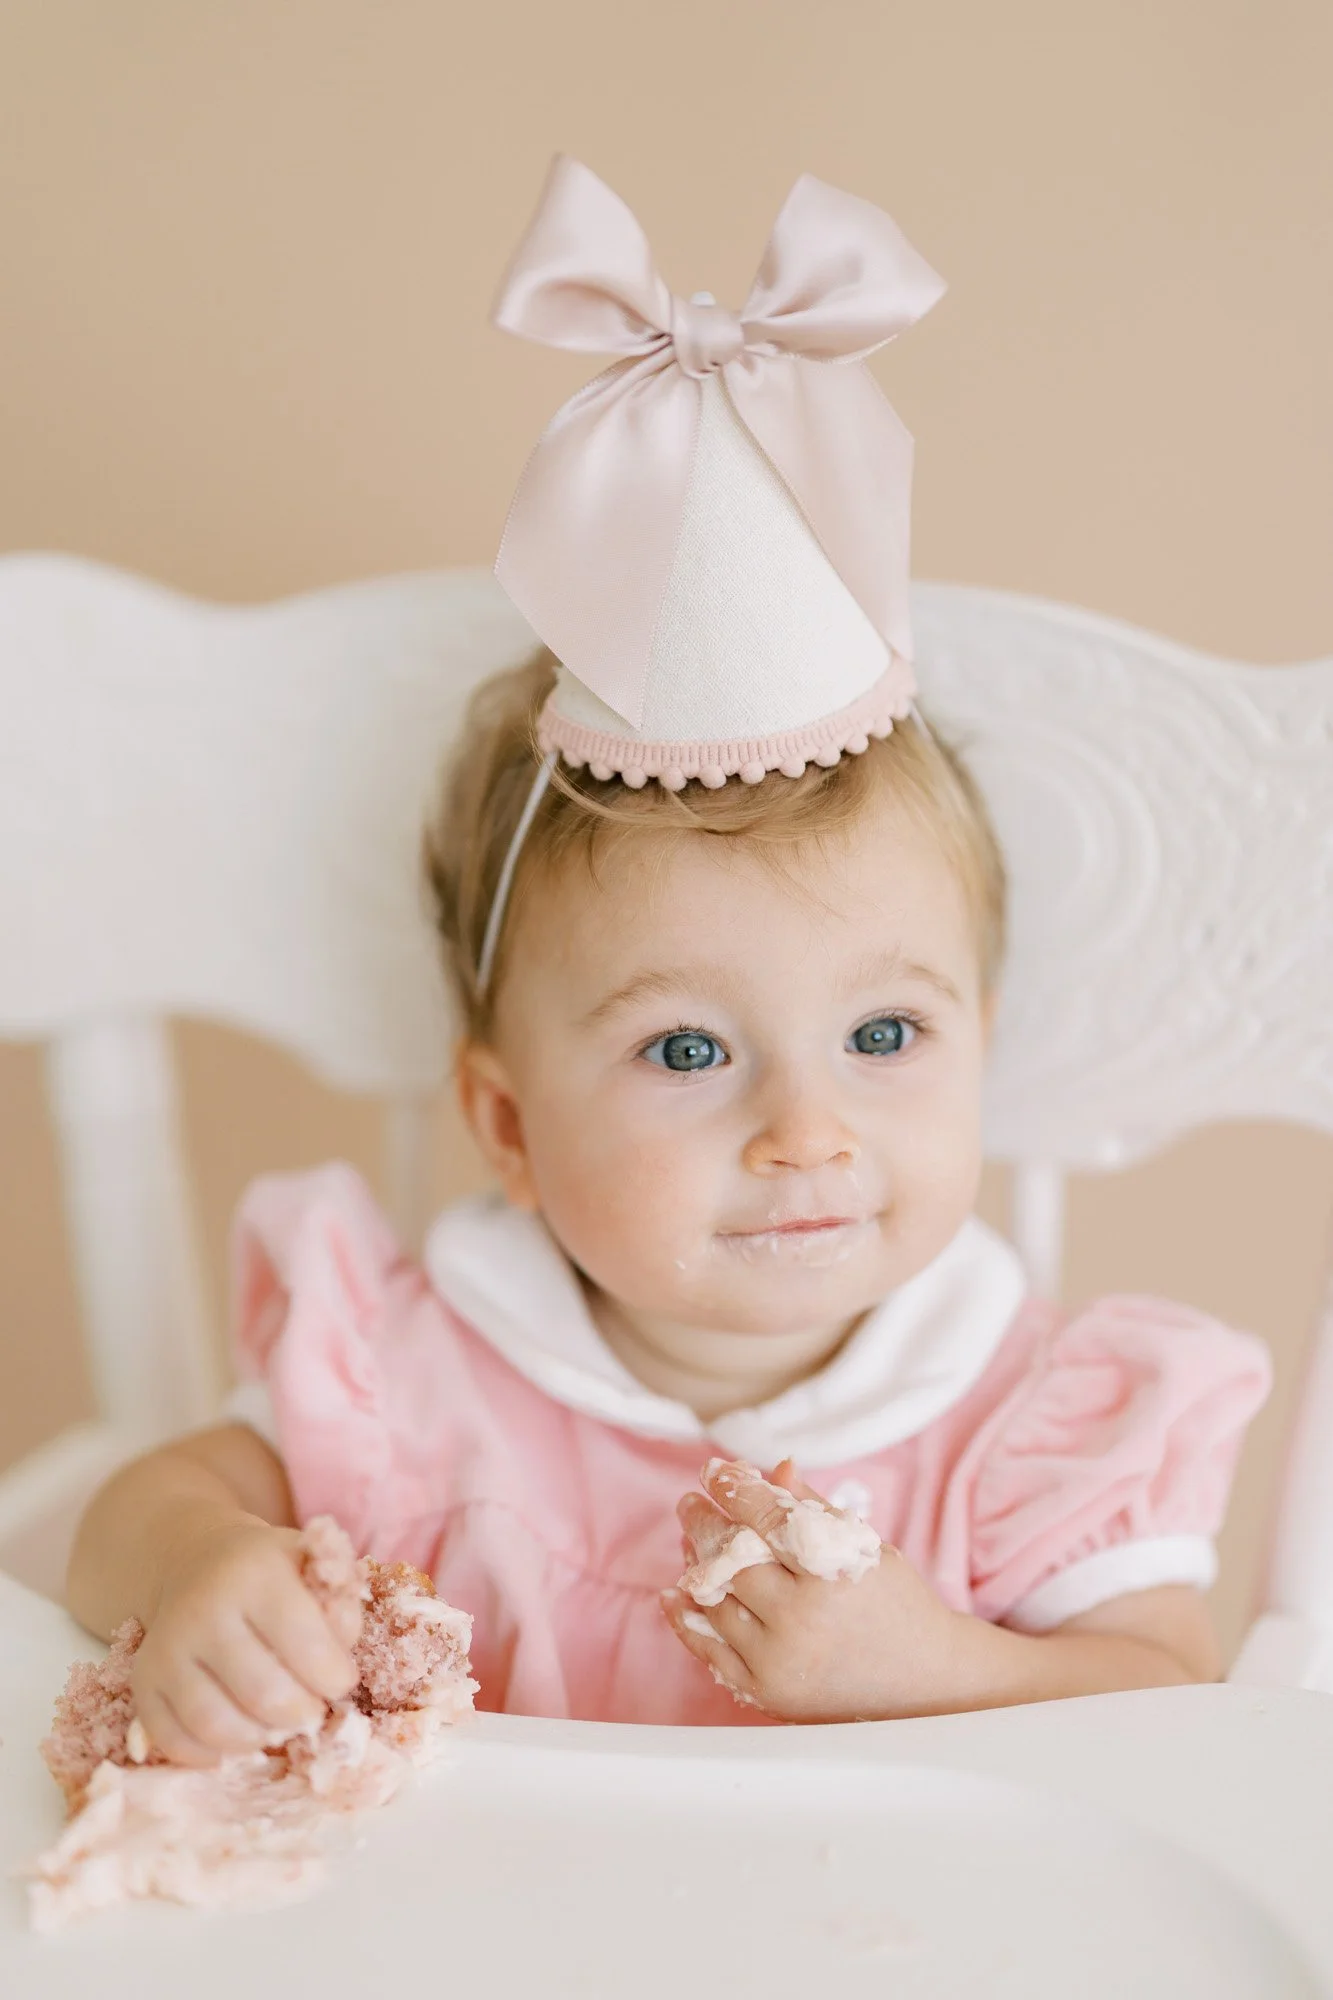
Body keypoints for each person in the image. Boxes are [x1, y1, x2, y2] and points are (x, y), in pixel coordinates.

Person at [66, 159, 1269, 1758]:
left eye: (886, 1035)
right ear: (506, 1123)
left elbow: (1174, 1707)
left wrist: (931, 1666)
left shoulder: (1022, 1421)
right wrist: (199, 1566)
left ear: (981, 1032)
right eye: (689, 1051)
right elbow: (122, 1520)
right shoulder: (419, 1375)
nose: (807, 1133)